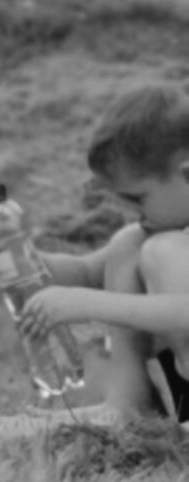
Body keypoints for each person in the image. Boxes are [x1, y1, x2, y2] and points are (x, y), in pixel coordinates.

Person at [18, 83, 189, 419]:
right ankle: (127, 406)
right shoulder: (149, 231)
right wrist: (26, 264)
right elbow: (87, 272)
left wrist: (89, 304)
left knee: (163, 250)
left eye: (138, 198)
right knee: (128, 243)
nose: (130, 211)